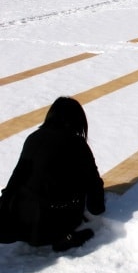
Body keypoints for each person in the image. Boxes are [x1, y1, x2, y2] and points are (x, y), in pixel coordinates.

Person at [0, 97, 105, 252]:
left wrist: (3, 209)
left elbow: (17, 177)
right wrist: (97, 207)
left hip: (20, 217)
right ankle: (64, 236)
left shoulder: (33, 138)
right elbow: (93, 186)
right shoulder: (78, 145)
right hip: (52, 222)